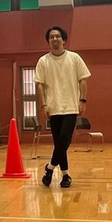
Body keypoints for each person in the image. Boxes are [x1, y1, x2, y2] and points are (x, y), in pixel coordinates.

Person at [34, 26, 91, 188]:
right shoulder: (43, 61)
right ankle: (65, 175)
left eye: (58, 36)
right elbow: (40, 85)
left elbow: (83, 80)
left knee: (65, 139)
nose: (55, 39)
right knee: (59, 143)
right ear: (48, 41)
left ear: (64, 40)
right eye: (51, 37)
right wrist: (44, 105)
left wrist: (82, 100)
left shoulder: (74, 58)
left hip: (71, 106)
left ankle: (50, 168)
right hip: (53, 108)